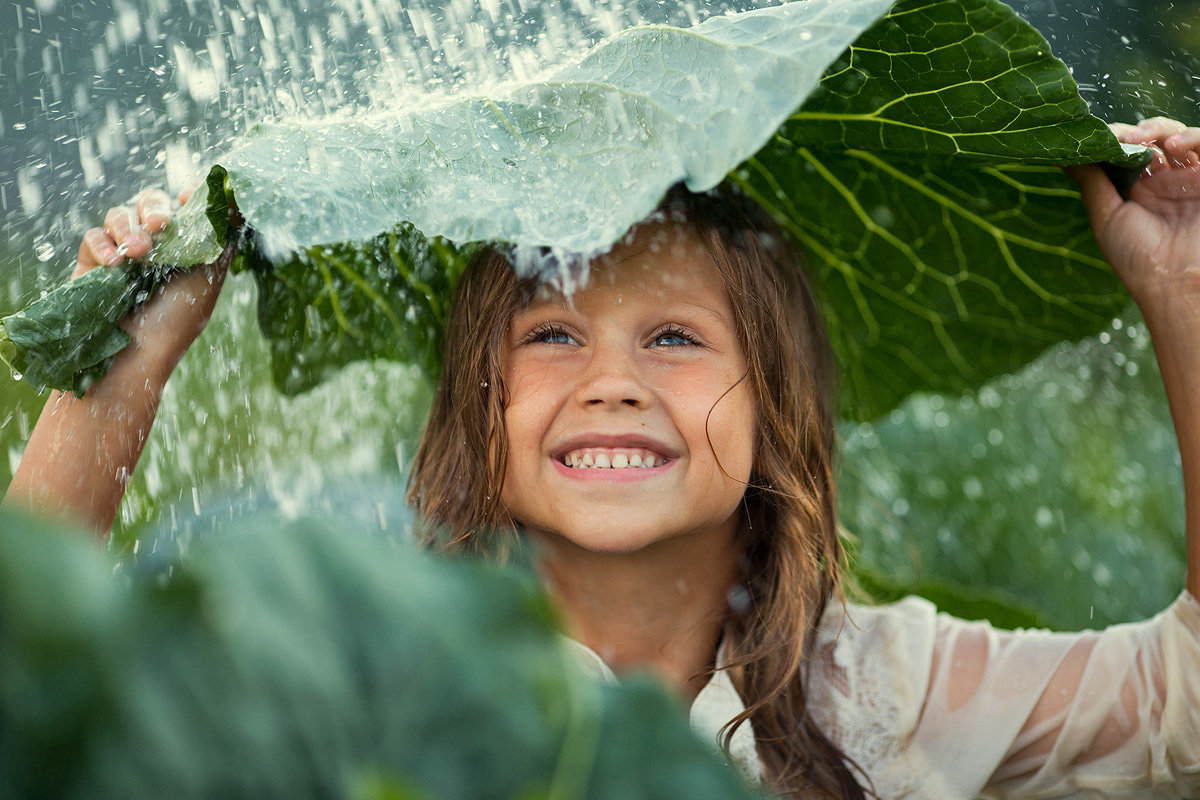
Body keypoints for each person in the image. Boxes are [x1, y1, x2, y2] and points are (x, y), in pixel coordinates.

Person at [5, 117, 1200, 798]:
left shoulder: (879, 692)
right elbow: (39, 710)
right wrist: (119, 382)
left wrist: (1184, 295)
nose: (612, 379)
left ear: (777, 410)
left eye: (675, 336)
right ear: (481, 413)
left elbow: (1184, 709)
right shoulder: (373, 668)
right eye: (552, 334)